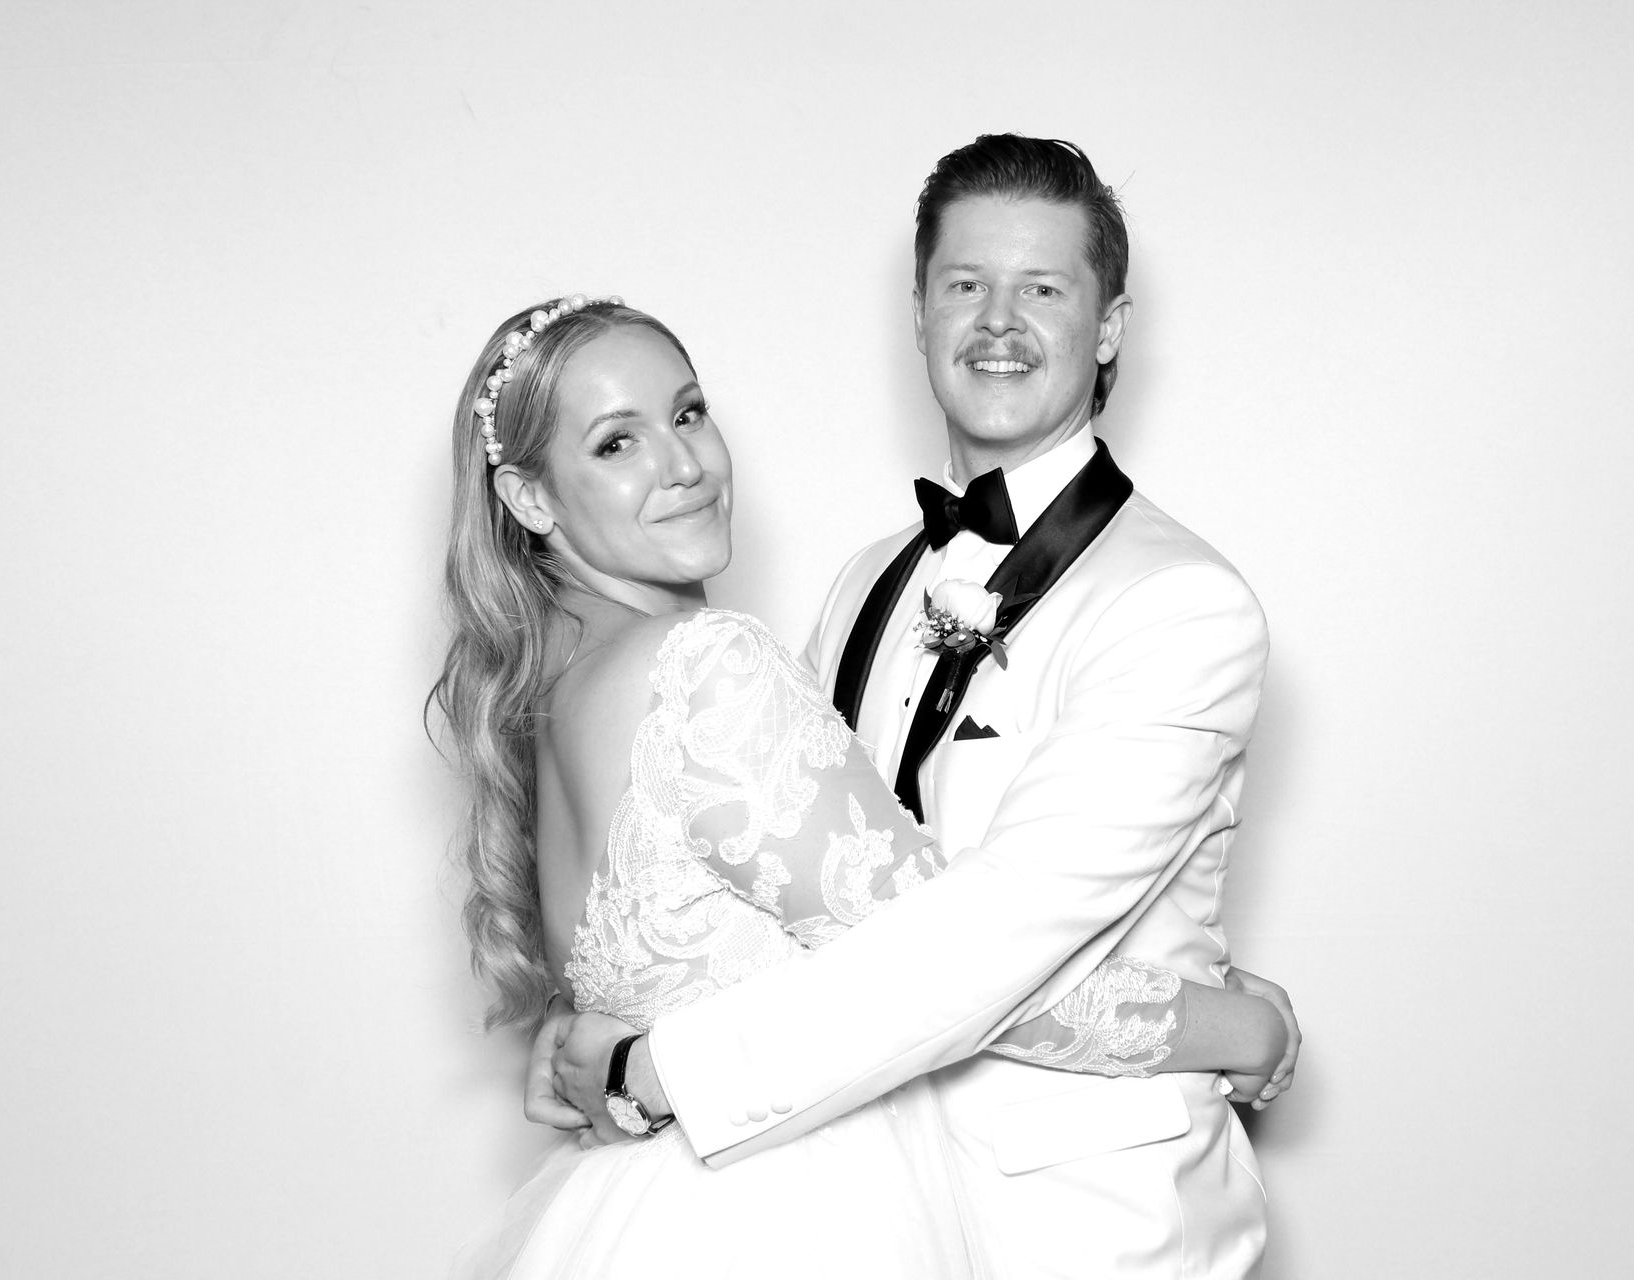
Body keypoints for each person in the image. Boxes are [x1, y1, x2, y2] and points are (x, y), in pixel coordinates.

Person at [536, 136, 1295, 1279]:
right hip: (872, 1205)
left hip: (1094, 1222)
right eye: (965, 285)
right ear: (920, 313)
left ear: (1108, 326)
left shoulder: (1181, 605)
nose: (999, 320)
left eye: (1043, 287)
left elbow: (992, 941)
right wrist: (1244, 1023)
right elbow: (791, 897)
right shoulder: (862, 580)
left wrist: (649, 1069)